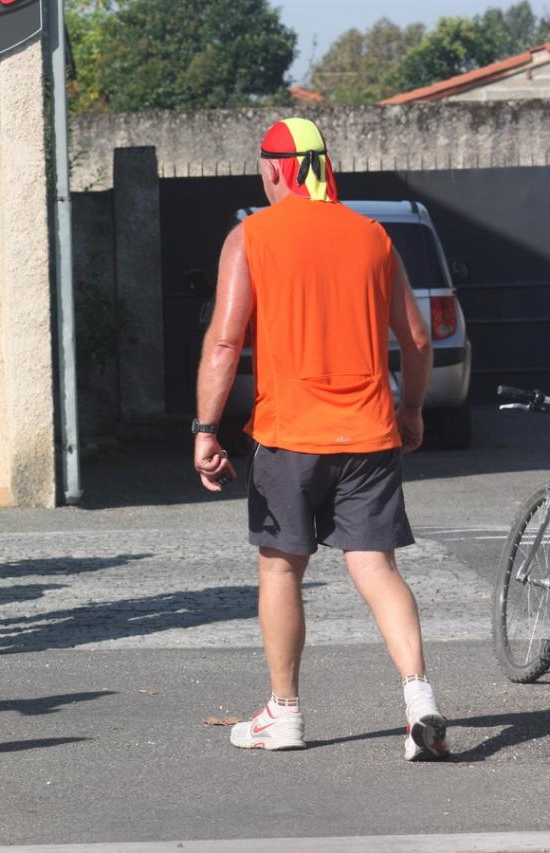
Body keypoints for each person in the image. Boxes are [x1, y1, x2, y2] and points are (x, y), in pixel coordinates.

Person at [193, 118, 448, 761]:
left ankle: (284, 714)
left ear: (274, 167)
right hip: (368, 431)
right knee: (376, 566)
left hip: (289, 436)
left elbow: (224, 342)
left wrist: (205, 430)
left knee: (280, 566)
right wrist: (411, 409)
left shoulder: (251, 236)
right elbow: (418, 339)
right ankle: (419, 699)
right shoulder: (372, 236)